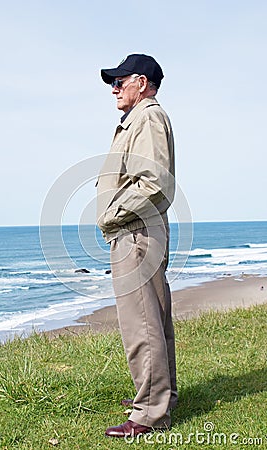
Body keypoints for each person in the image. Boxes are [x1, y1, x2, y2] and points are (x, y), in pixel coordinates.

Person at [97, 54, 177, 438]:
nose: (113, 88)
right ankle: (160, 396)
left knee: (141, 322)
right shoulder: (142, 119)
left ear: (141, 83)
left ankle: (149, 414)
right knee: (154, 317)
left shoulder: (146, 117)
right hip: (140, 228)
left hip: (135, 230)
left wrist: (111, 215)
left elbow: (154, 181)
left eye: (119, 81)